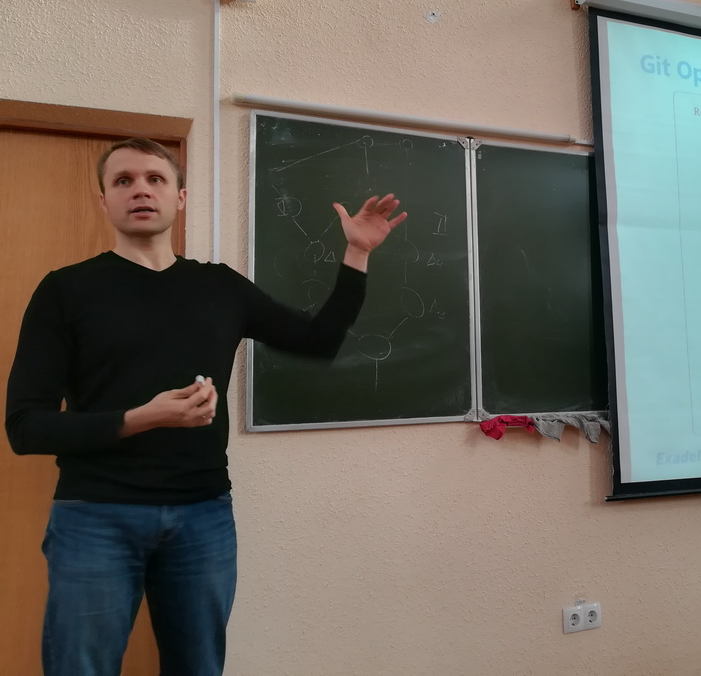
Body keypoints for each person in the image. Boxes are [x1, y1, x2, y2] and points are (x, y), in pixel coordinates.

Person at [5, 137, 406, 676]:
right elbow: (26, 427)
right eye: (123, 181)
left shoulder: (219, 286)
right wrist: (142, 418)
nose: (140, 190)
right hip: (95, 515)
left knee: (198, 667)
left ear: (180, 197)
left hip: (202, 514)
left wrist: (357, 254)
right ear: (104, 201)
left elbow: (318, 341)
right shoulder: (66, 290)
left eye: (155, 178)